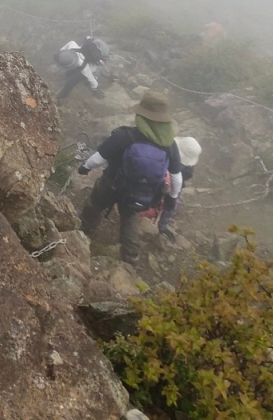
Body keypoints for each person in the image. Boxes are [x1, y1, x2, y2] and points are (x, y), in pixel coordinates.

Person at [77, 90, 183, 264]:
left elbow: (99, 157)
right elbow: (176, 177)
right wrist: (172, 198)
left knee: (95, 204)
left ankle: (84, 233)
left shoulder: (125, 135)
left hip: (111, 183)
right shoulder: (169, 145)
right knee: (129, 218)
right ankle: (131, 255)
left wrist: (84, 167)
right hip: (139, 192)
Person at [156, 135, 202, 241]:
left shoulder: (166, 148)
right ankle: (162, 225)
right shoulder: (187, 170)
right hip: (172, 185)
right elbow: (178, 185)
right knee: (171, 203)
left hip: (159, 178)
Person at [56, 37, 108, 101]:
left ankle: (61, 96)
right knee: (71, 74)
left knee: (71, 82)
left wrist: (95, 88)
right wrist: (60, 54)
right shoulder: (71, 46)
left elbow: (91, 78)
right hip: (82, 56)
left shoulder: (84, 67)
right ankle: (70, 74)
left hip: (91, 66)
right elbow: (71, 42)